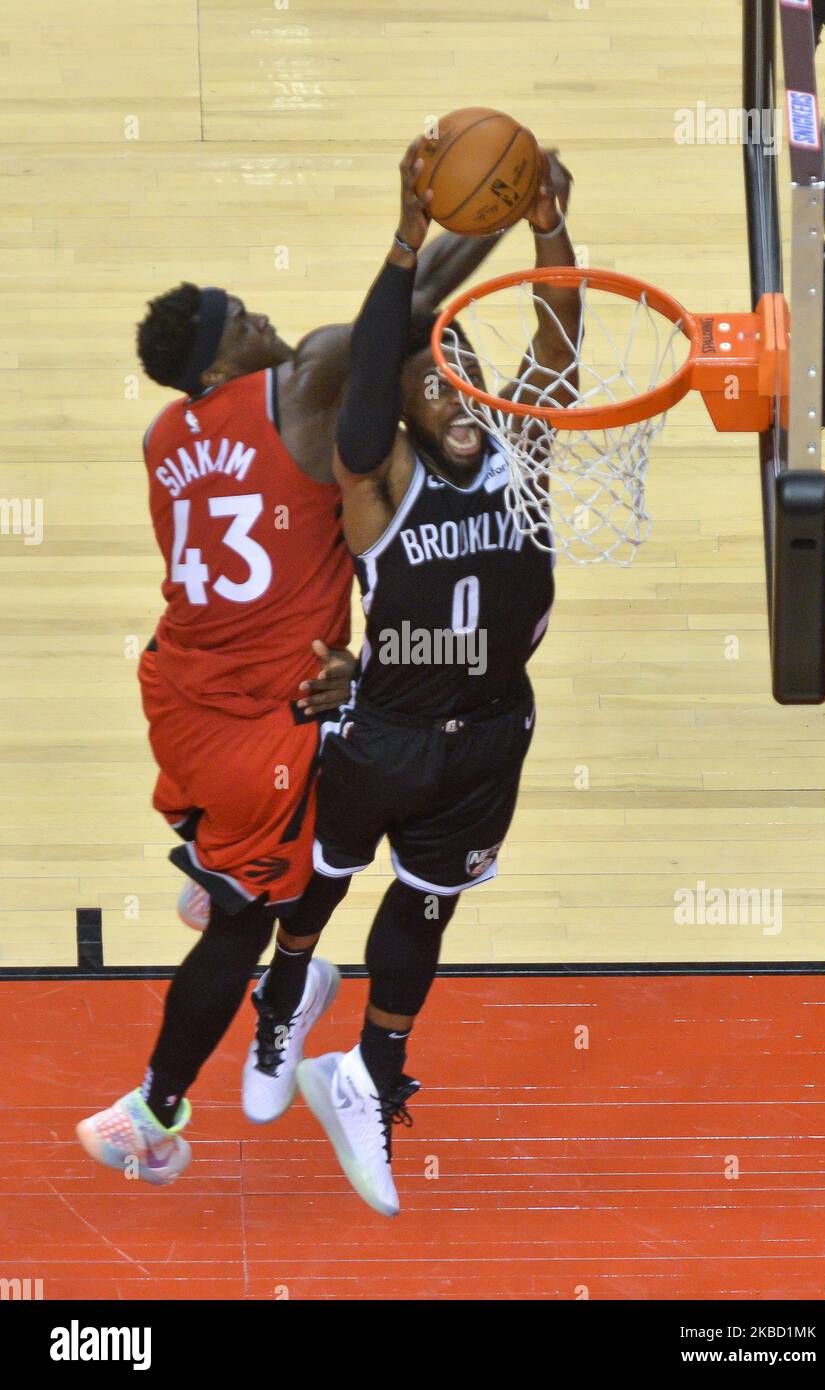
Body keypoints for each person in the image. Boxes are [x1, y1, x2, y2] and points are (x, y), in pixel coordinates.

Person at [75, 222, 519, 1184]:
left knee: (287, 836)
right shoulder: (303, 385)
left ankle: (227, 871)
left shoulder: (164, 437)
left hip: (182, 690)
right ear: (217, 361)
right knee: (258, 904)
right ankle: (150, 1110)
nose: (261, 314)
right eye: (241, 319)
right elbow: (393, 314)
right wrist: (488, 209)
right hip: (262, 719)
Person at [281, 139, 580, 1217]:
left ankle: (363, 1074)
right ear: (403, 416)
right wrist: (407, 237)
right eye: (430, 384)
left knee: (429, 902)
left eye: (463, 376)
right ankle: (282, 996)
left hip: (492, 728)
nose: (457, 394)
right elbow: (362, 395)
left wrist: (547, 224)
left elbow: (554, 344)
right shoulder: (378, 481)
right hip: (388, 720)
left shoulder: (519, 453)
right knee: (326, 864)